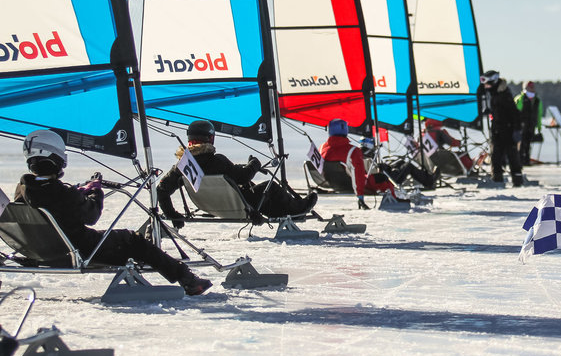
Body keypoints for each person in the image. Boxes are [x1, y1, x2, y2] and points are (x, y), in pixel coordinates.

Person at [14, 129, 212, 295]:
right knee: (132, 240)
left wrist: (77, 193)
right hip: (81, 249)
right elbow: (91, 215)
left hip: (44, 250)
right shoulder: (60, 192)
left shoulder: (23, 190)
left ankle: (175, 270)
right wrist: (95, 191)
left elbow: (59, 203)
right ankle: (187, 278)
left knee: (129, 242)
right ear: (57, 159)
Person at [157, 120, 317, 225]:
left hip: (211, 207)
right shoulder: (217, 160)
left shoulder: (182, 166)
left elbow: (161, 190)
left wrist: (173, 215)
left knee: (253, 188)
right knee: (269, 188)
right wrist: (254, 164)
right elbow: (243, 176)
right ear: (211, 138)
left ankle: (283, 213)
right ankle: (298, 209)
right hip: (237, 206)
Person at [319, 118, 406, 209]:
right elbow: (359, 175)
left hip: (329, 182)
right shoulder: (353, 151)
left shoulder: (322, 148)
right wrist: (360, 196)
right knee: (383, 178)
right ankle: (393, 199)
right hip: (352, 184)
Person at [479, 70, 523, 186]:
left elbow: (515, 114)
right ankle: (497, 180)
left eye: (487, 83)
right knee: (496, 157)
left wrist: (517, 130)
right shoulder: (494, 94)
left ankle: (517, 180)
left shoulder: (504, 95)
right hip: (497, 131)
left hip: (508, 131)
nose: (486, 86)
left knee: (512, 156)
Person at [514, 81, 544, 165]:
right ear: (525, 88)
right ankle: (519, 161)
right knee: (520, 144)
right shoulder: (520, 98)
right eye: (530, 87)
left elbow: (539, 114)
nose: (532, 88)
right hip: (520, 125)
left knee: (528, 144)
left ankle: (526, 160)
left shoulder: (537, 101)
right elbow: (515, 110)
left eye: (532, 87)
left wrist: (539, 126)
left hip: (531, 125)